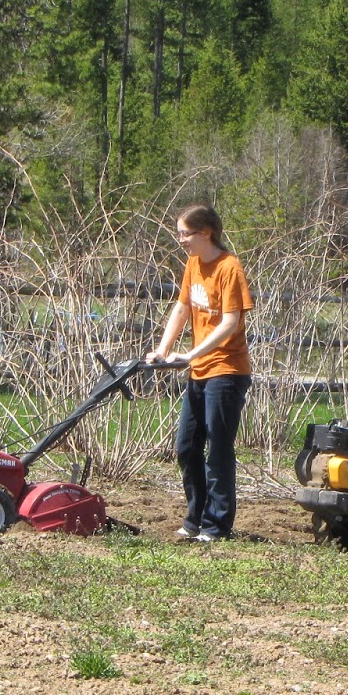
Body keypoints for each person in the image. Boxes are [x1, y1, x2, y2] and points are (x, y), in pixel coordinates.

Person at [146, 204, 254, 542]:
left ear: (206, 233)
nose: (180, 240)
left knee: (218, 450)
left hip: (227, 370)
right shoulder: (193, 263)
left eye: (185, 234)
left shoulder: (229, 268)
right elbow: (182, 307)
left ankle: (216, 525)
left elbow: (230, 323)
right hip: (199, 370)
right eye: (179, 234)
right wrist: (163, 350)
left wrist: (191, 354)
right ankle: (195, 518)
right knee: (186, 446)